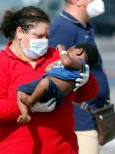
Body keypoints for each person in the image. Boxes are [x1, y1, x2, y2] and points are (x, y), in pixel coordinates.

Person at [0, 6, 98, 154]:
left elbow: (88, 95)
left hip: (62, 148)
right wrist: (30, 106)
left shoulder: (58, 57)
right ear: (20, 33)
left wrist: (87, 78)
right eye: (38, 36)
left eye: (47, 36)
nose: (45, 41)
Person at [49, 0, 110, 153]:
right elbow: (52, 72)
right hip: (79, 119)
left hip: (92, 115)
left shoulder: (84, 25)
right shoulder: (64, 28)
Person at [17, 43, 99, 123]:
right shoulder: (64, 62)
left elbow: (67, 62)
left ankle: (30, 101)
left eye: (69, 50)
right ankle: (25, 115)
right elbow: (47, 69)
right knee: (20, 90)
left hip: (55, 89)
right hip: (45, 85)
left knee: (44, 82)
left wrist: (63, 51)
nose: (66, 52)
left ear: (79, 51)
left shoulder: (80, 62)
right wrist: (57, 63)